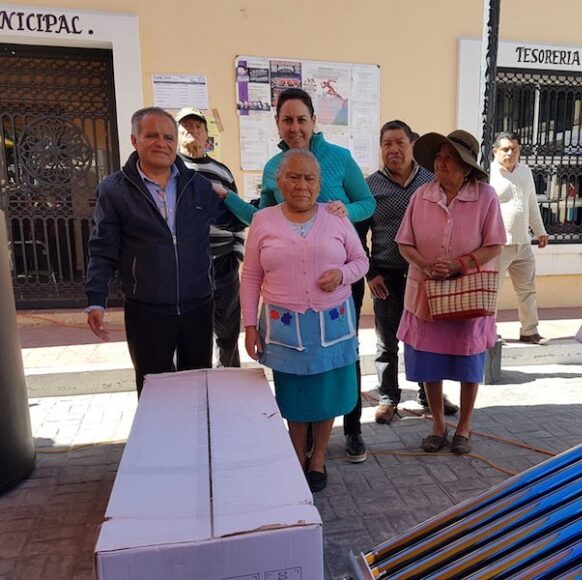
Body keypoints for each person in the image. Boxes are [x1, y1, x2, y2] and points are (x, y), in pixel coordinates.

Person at [220, 88, 374, 463]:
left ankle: (350, 431)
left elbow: (366, 203)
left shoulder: (340, 158)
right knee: (298, 382)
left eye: (301, 119)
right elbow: (263, 220)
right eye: (287, 120)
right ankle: (299, 448)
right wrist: (225, 197)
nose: (294, 127)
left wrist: (342, 215)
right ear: (278, 124)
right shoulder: (275, 166)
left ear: (313, 121)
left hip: (335, 278)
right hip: (287, 296)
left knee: (337, 368)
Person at [85, 107, 239, 395]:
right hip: (147, 310)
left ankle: (192, 440)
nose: (162, 143)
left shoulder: (197, 186)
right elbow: (103, 248)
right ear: (135, 140)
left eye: (168, 137)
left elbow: (234, 220)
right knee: (153, 389)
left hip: (197, 306)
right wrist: (96, 299)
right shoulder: (115, 189)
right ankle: (158, 441)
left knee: (197, 387)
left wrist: (241, 198)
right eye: (152, 135)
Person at [240, 149, 369, 492]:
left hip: (333, 323)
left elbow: (361, 261)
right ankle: (296, 456)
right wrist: (249, 326)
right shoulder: (263, 220)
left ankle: (319, 458)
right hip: (285, 327)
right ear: (278, 181)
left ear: (319, 183)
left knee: (326, 394)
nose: (302, 185)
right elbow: (251, 275)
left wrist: (342, 275)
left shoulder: (336, 217)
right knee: (295, 396)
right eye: (293, 177)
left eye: (309, 178)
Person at [396, 130, 506, 454]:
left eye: (450, 158)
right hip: (426, 292)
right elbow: (405, 242)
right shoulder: (421, 195)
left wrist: (461, 264)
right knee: (430, 362)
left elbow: (494, 245)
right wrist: (425, 264)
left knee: (468, 361)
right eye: (439, 157)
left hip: (467, 293)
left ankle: (465, 426)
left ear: (467, 167)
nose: (441, 163)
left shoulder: (485, 196)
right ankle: (438, 425)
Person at [358, 120, 458, 424]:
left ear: (411, 144)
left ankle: (430, 395)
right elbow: (358, 236)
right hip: (386, 275)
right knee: (387, 343)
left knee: (427, 339)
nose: (393, 149)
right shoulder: (369, 186)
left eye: (400, 142)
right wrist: (371, 272)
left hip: (426, 275)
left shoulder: (431, 181)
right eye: (387, 143)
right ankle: (389, 398)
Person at [176, 107, 246, 368]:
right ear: (177, 133)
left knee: (227, 329)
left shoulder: (222, 172)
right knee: (188, 330)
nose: (192, 130)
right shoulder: (172, 170)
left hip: (223, 261)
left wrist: (237, 252)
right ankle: (191, 383)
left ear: (207, 135)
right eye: (186, 126)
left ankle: (228, 383)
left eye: (198, 126)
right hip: (186, 264)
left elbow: (238, 213)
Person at [489, 132, 549, 344]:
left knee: (527, 290)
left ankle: (529, 331)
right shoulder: (488, 175)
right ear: (495, 151)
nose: (510, 153)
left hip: (523, 243)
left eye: (514, 149)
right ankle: (488, 333)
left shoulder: (525, 172)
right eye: (505, 149)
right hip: (497, 245)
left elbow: (532, 202)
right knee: (491, 292)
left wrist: (540, 231)